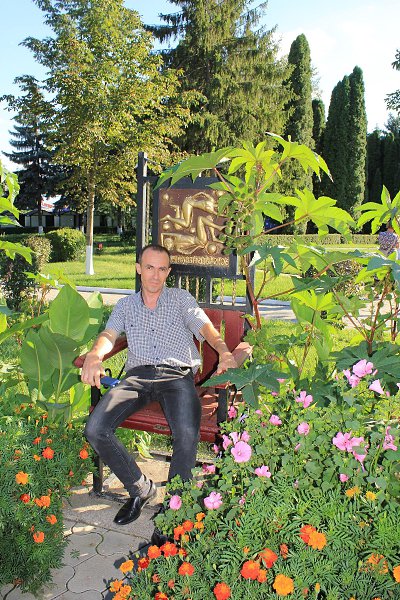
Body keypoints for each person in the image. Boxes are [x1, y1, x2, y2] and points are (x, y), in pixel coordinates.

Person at [81, 243, 237, 539]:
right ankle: (141, 488)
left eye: (162, 269)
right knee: (96, 429)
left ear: (168, 272)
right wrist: (94, 355)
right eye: (149, 267)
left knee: (187, 434)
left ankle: (174, 513)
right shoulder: (125, 306)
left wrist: (224, 352)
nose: (155, 275)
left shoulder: (180, 299)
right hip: (138, 377)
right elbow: (109, 335)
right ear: (139, 269)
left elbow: (206, 329)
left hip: (176, 376)